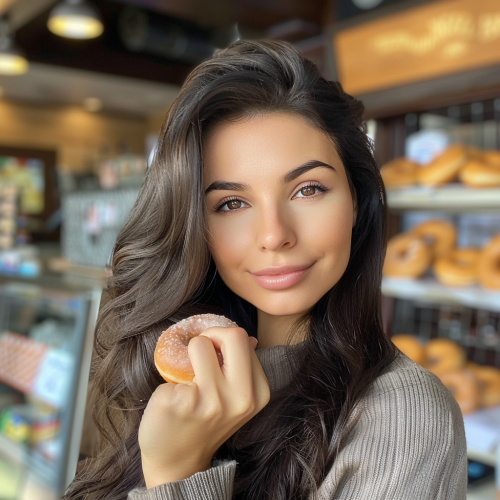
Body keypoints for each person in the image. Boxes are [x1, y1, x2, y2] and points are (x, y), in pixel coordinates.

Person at [65, 40, 467, 500]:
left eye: (308, 189)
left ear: (356, 200)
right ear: (196, 225)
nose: (274, 235)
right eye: (232, 203)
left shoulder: (407, 419)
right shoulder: (166, 375)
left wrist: (176, 473)